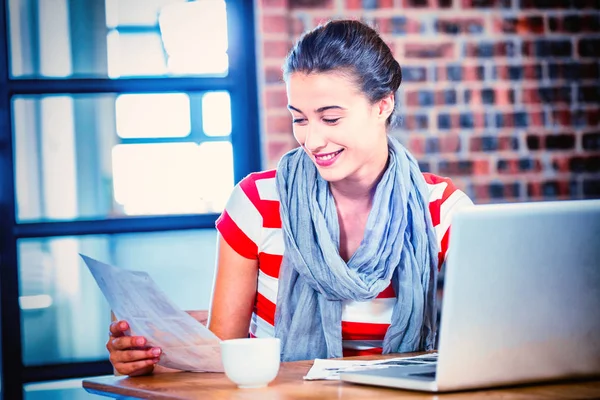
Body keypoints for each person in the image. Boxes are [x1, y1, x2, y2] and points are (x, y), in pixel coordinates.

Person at [106, 19, 473, 377]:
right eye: (300, 119)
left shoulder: (440, 209)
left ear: (383, 106)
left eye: (330, 119)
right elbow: (223, 352)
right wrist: (146, 357)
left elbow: (496, 335)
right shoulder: (256, 202)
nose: (312, 141)